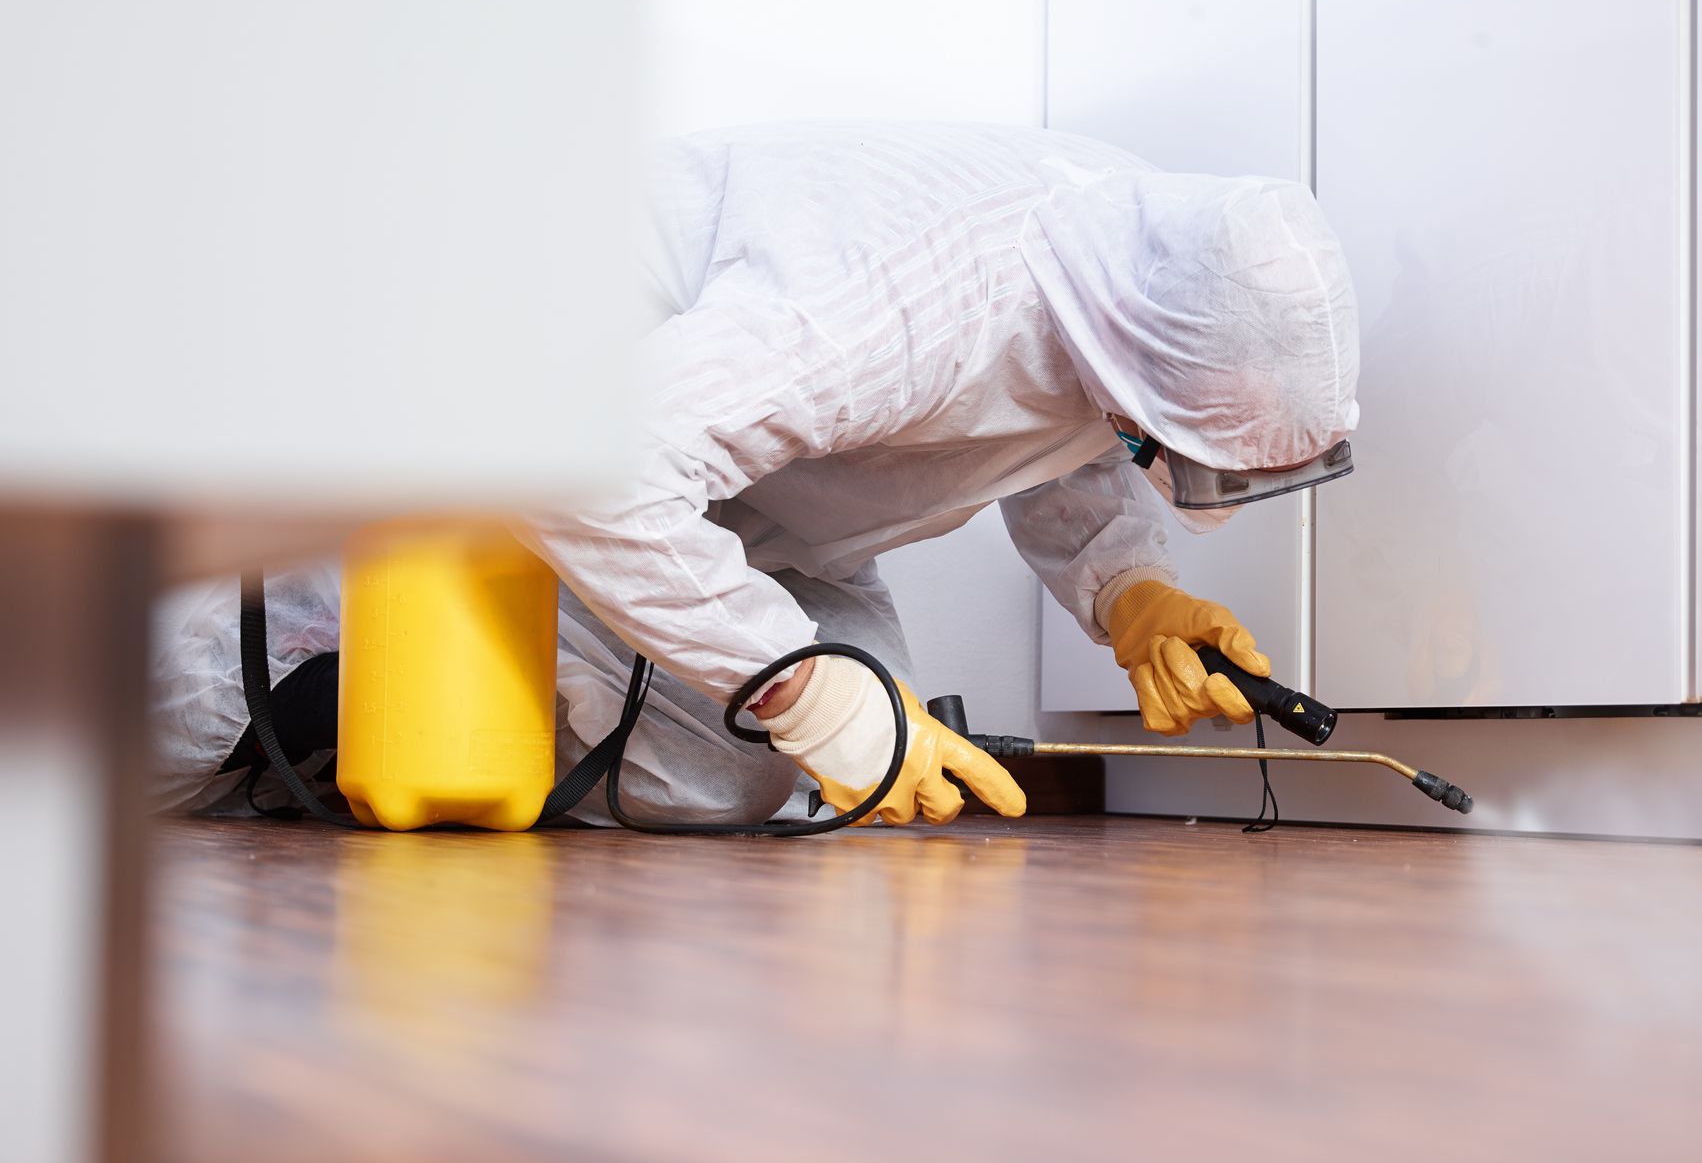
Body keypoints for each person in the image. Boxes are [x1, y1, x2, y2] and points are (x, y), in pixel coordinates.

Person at [152, 121, 1358, 828]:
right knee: (153, 718)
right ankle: (328, 687)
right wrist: (805, 693)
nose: (1153, 464)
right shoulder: (902, 301)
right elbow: (604, 469)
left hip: (725, 493)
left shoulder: (1121, 266)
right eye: (1171, 453)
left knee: (792, 775)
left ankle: (397, 712)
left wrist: (1126, 590)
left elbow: (1059, 412)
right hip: (526, 432)